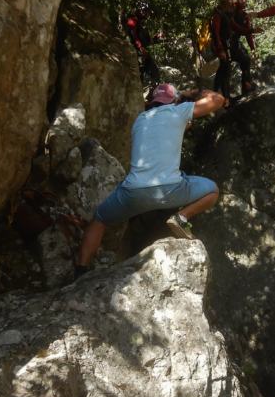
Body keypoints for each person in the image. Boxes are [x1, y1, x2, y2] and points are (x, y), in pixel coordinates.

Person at [75, 83, 227, 274]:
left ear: (153, 101)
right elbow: (218, 100)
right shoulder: (177, 112)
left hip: (133, 192)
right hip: (170, 190)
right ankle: (181, 217)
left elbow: (165, 135)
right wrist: (198, 91)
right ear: (173, 101)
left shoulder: (140, 119)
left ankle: (80, 272)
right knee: (212, 190)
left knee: (99, 219)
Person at [229, 0, 261, 97]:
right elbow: (236, 27)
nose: (244, 0)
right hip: (226, 42)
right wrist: (252, 30)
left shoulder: (244, 15)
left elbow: (247, 34)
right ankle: (245, 85)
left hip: (234, 42)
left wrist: (253, 48)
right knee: (244, 59)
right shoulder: (231, 11)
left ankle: (246, 85)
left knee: (246, 58)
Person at [123, 2, 162, 85]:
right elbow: (132, 34)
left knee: (151, 69)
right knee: (148, 70)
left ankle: (152, 86)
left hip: (139, 50)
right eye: (145, 12)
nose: (146, 15)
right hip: (134, 50)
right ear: (140, 11)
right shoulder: (133, 20)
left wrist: (155, 38)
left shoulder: (140, 23)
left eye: (147, 13)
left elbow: (145, 40)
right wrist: (140, 48)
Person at [211, 0, 237, 102]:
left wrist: (250, 30)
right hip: (220, 45)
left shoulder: (227, 11)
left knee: (223, 68)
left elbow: (233, 26)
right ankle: (225, 97)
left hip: (225, 44)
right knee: (225, 69)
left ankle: (216, 92)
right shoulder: (218, 13)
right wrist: (220, 49)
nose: (231, 0)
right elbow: (216, 32)